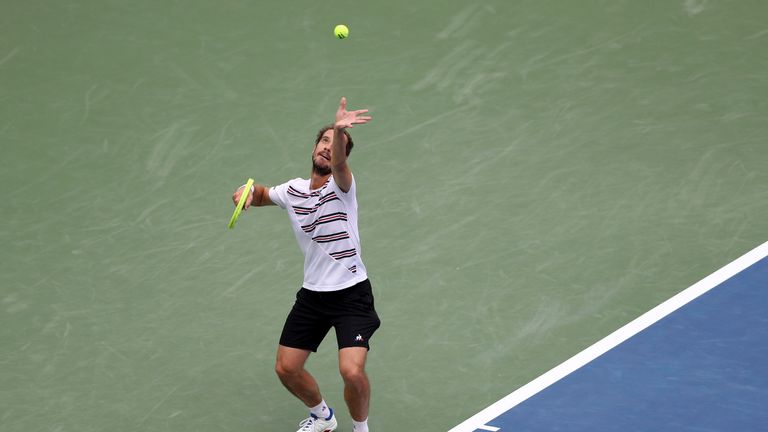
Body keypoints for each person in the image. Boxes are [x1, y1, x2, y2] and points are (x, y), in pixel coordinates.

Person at [232, 97, 379, 432]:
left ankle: (361, 429)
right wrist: (244, 193)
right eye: (324, 140)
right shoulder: (294, 190)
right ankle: (324, 418)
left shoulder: (342, 188)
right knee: (286, 368)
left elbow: (341, 165)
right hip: (313, 296)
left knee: (352, 371)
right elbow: (262, 194)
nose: (329, 147)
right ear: (314, 147)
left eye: (337, 143)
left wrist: (340, 129)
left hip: (351, 294)